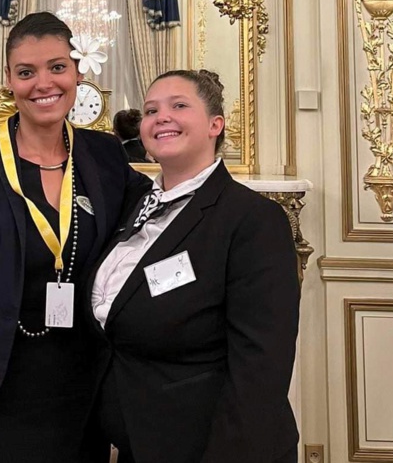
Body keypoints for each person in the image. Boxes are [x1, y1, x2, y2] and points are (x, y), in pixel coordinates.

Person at [0, 12, 149, 463]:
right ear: (9, 80)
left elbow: (159, 219)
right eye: (26, 72)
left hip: (79, 399)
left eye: (57, 67)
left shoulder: (105, 154)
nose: (43, 84)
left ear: (77, 70)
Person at [88, 70, 301, 463]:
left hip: (215, 444)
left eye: (179, 106)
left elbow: (260, 368)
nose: (161, 117)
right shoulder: (131, 207)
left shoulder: (252, 220)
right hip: (140, 440)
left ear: (215, 125)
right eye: (151, 110)